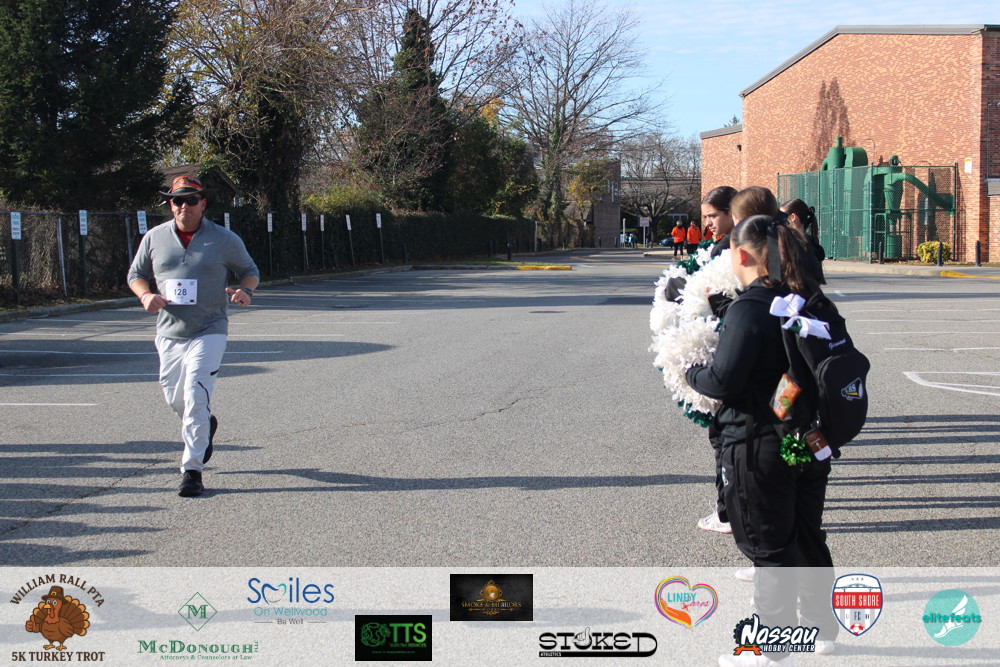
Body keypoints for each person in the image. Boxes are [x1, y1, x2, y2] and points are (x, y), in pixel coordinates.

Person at [686, 215, 838, 665]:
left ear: (741, 254)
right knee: (807, 536)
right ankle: (821, 629)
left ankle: (771, 648)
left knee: (769, 546)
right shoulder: (808, 301)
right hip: (808, 438)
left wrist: (688, 372)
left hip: (758, 443)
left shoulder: (750, 308)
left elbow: (723, 380)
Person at [127, 176, 260, 497]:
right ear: (170, 205)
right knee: (176, 398)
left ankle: (192, 470)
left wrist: (245, 291)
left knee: (196, 394)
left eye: (191, 200)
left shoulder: (224, 238)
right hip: (169, 331)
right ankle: (205, 424)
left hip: (209, 329)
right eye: (177, 201)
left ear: (203, 203)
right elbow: (136, 274)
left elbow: (250, 271)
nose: (184, 206)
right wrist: (145, 295)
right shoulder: (155, 237)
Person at [781, 199, 827, 283]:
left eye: (782, 216)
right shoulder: (812, 245)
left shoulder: (796, 246)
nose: (779, 220)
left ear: (793, 217)